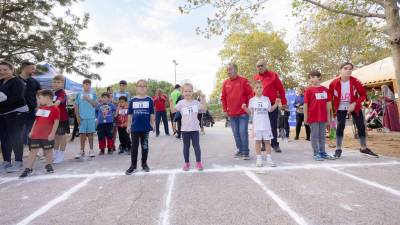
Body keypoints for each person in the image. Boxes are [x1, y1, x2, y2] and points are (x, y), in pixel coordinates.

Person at [328, 62, 378, 158]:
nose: (348, 70)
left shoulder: (356, 81)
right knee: (340, 125)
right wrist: (331, 110)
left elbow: (363, 95)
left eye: (350, 69)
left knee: (361, 125)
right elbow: (329, 97)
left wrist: (355, 103)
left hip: (354, 106)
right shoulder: (333, 83)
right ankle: (338, 149)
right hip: (340, 107)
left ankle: (363, 148)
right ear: (340, 70)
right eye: (345, 68)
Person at [19, 90, 60, 178]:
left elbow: (56, 122)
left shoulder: (55, 109)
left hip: (47, 135)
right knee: (33, 151)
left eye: (40, 98)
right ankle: (28, 169)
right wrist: (32, 131)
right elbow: (36, 121)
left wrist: (52, 134)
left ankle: (48, 165)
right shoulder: (41, 108)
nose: (38, 100)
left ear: (47, 98)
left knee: (48, 151)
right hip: (36, 134)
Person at [242, 81, 279, 167]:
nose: (259, 89)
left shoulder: (266, 99)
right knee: (257, 142)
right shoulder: (252, 100)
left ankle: (269, 158)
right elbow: (250, 112)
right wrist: (245, 108)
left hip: (266, 125)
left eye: (260, 87)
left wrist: (276, 103)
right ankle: (259, 159)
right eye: (257, 87)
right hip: (257, 126)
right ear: (254, 89)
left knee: (267, 142)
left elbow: (270, 109)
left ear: (263, 88)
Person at [0, 61, 29, 173]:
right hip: (2, 114)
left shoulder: (17, 82)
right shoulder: (1, 81)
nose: (2, 72)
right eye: (0, 70)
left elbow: (15, 99)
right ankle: (6, 162)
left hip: (16, 113)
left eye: (5, 69)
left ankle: (18, 162)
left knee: (16, 137)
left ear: (12, 70)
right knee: (4, 138)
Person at [253, 59, 287, 153]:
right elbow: (254, 91)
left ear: (265, 65)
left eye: (261, 65)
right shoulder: (256, 77)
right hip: (260, 105)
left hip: (272, 104)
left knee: (272, 125)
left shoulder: (273, 75)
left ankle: (275, 144)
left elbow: (281, 89)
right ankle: (264, 144)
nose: (260, 67)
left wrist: (284, 102)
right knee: (262, 125)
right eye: (258, 66)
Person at [221, 63, 253, 159]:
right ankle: (240, 150)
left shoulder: (243, 81)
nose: (228, 71)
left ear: (236, 70)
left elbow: (250, 95)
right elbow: (223, 98)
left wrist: (248, 107)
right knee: (236, 133)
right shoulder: (225, 83)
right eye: (227, 69)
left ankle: (245, 152)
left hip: (243, 113)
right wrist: (225, 109)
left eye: (230, 69)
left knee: (242, 132)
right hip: (232, 114)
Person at [172, 83, 207, 171]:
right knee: (186, 147)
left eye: (190, 91)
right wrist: (171, 102)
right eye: (185, 91)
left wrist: (203, 98)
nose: (188, 93)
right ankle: (186, 163)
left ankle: (198, 163)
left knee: (196, 146)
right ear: (182, 93)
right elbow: (173, 110)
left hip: (195, 129)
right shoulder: (181, 103)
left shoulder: (196, 102)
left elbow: (204, 109)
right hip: (185, 130)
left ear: (192, 92)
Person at [125, 79, 155, 175]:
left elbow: (152, 113)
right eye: (140, 86)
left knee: (144, 146)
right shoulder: (133, 100)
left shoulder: (149, 100)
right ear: (136, 88)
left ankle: (144, 164)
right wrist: (128, 125)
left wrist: (152, 124)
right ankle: (133, 165)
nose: (142, 88)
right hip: (135, 128)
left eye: (144, 86)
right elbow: (129, 114)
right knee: (134, 146)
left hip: (145, 128)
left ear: (146, 88)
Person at [304, 71, 335, 161]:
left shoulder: (325, 90)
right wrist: (306, 117)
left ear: (319, 78)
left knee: (322, 135)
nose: (311, 79)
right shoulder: (308, 90)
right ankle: (316, 153)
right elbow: (305, 105)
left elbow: (328, 105)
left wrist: (329, 118)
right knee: (314, 135)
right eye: (310, 78)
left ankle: (322, 152)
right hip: (313, 117)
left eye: (313, 77)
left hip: (323, 117)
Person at [18, 61, 41, 145]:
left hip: (31, 111)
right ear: (25, 68)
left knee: (32, 130)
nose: (34, 71)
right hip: (17, 111)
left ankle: (32, 149)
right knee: (17, 131)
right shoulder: (14, 80)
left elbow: (40, 95)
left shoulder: (35, 82)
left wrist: (39, 107)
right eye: (32, 69)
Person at [74, 79, 98, 160]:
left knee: (91, 134)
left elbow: (95, 105)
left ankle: (91, 150)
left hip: (91, 117)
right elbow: (76, 106)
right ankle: (82, 150)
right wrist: (77, 117)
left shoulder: (93, 94)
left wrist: (88, 99)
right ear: (83, 85)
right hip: (82, 118)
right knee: (82, 135)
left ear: (90, 85)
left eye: (88, 84)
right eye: (85, 84)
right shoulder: (78, 94)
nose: (87, 86)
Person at [52, 75, 69, 164]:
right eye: (54, 82)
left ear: (62, 84)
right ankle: (55, 154)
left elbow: (59, 101)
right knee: (55, 136)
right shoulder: (52, 93)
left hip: (62, 118)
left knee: (62, 136)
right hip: (54, 119)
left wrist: (54, 104)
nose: (56, 84)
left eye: (58, 82)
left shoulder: (62, 93)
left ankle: (61, 155)